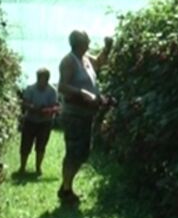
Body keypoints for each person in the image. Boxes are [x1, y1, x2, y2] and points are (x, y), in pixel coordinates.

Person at [56, 30, 114, 205]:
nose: (89, 42)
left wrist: (108, 47)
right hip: (74, 114)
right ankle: (66, 190)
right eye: (87, 40)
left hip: (86, 113)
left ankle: (66, 186)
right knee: (73, 151)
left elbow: (100, 62)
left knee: (82, 152)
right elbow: (62, 86)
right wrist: (81, 93)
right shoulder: (69, 61)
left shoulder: (86, 58)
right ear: (79, 43)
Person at [18, 68, 59, 176]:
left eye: (44, 79)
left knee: (41, 146)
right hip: (30, 120)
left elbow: (55, 105)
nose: (42, 81)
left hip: (45, 122)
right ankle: (22, 167)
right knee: (25, 145)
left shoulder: (52, 91)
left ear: (47, 79)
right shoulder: (30, 89)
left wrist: (48, 110)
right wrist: (34, 108)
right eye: (40, 78)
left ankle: (38, 168)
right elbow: (24, 103)